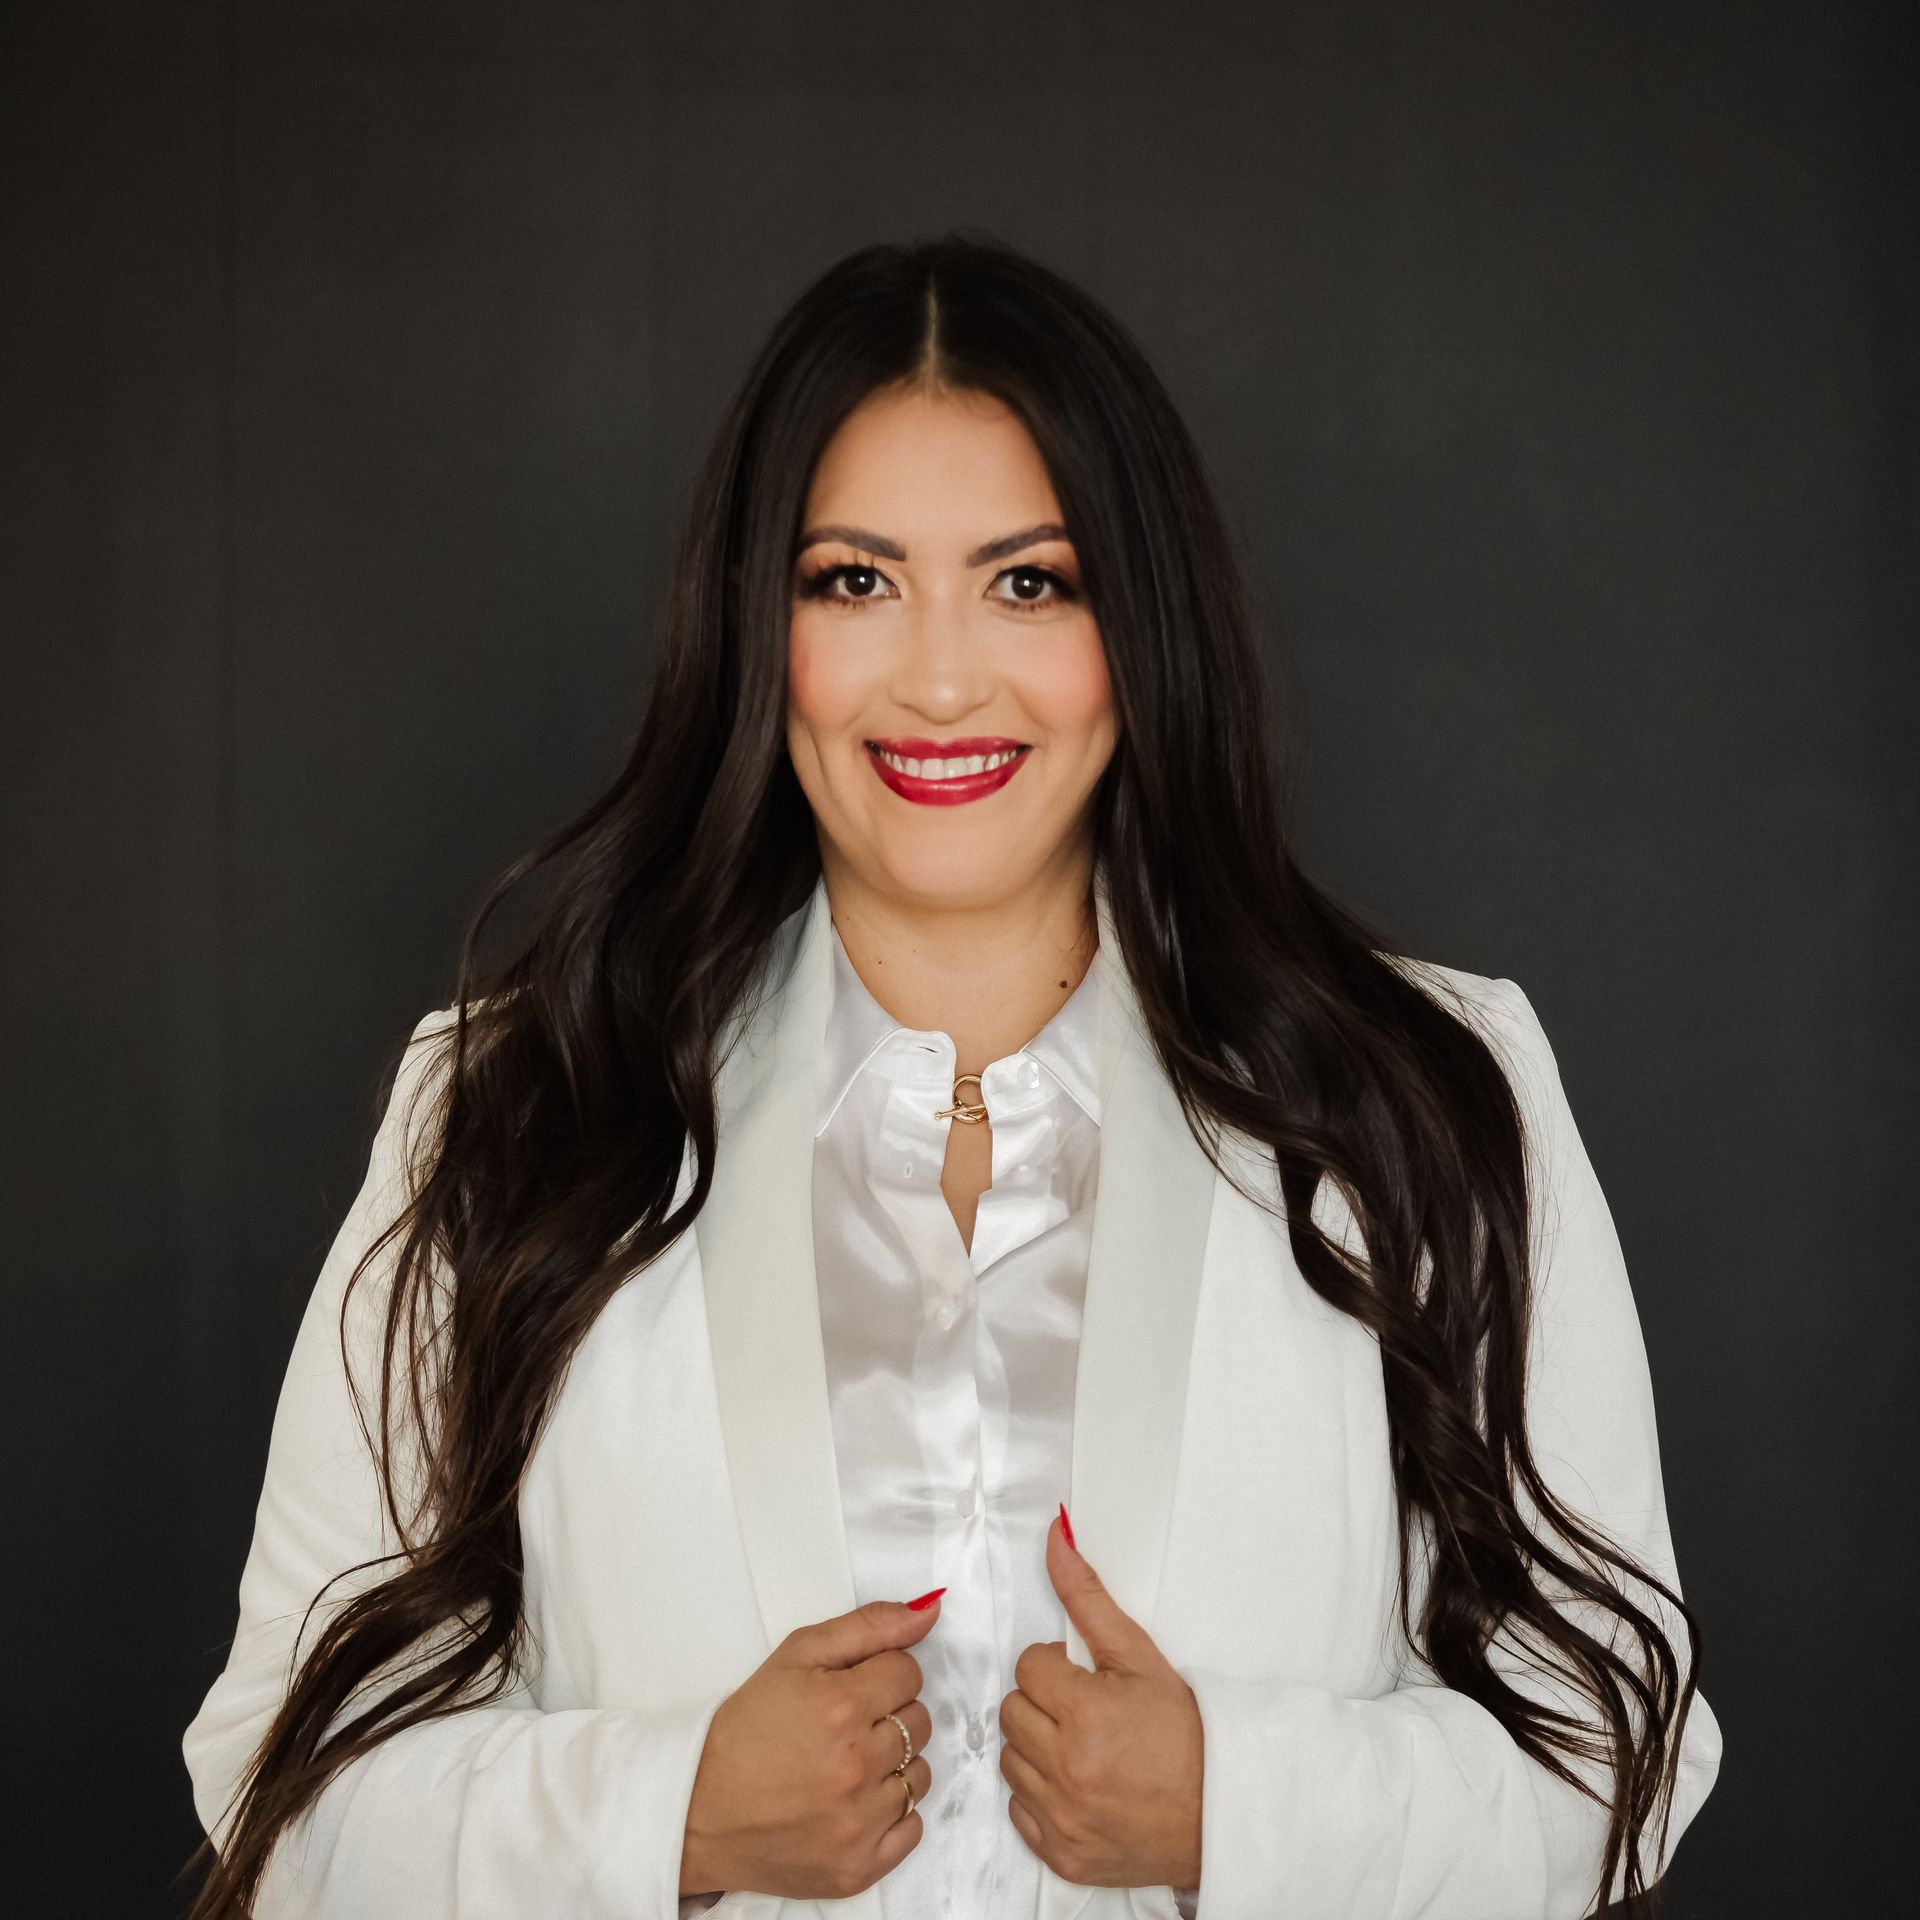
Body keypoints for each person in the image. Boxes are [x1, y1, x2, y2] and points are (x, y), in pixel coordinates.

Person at [180, 232, 1722, 1920]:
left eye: (1028, 581)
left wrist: (1242, 1807)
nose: (935, 677)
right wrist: (675, 1815)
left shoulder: (1430, 1099)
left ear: (1138, 624)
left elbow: (1621, 1754)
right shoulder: (514, 1113)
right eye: (853, 580)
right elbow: (280, 1787)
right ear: (760, 624)